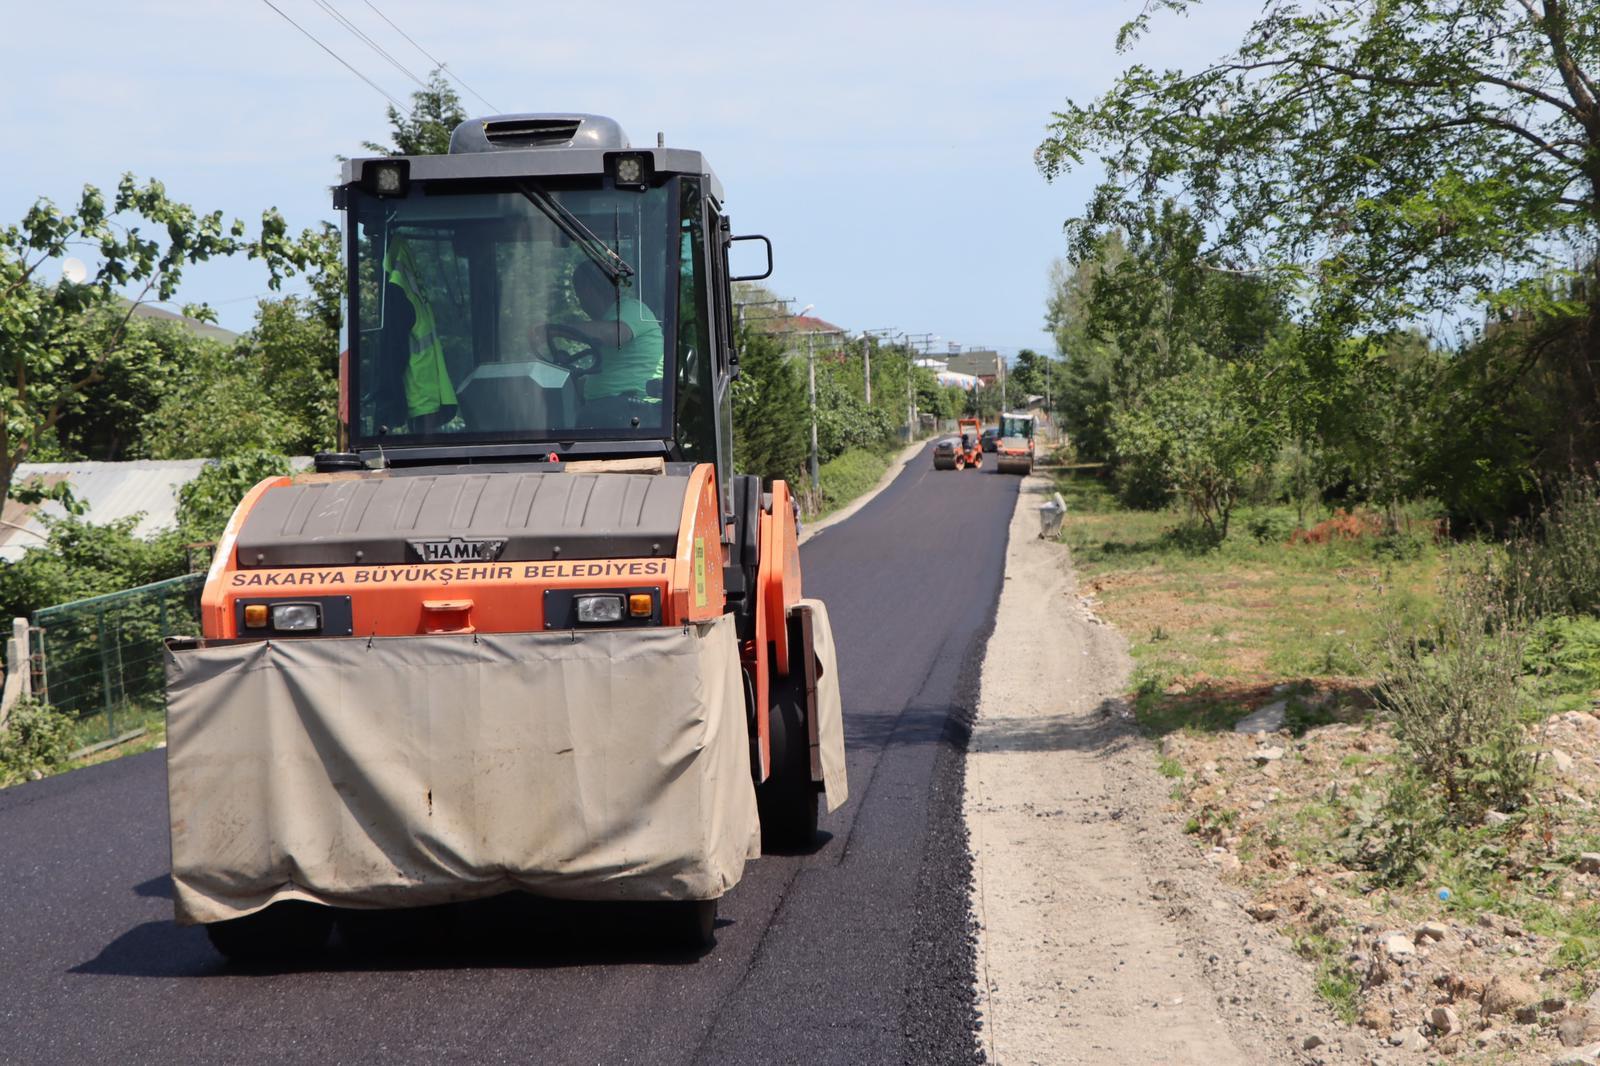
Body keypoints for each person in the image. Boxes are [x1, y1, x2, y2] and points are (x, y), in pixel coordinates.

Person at [550, 259, 664, 403]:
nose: (581, 303)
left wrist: (559, 330)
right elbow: (607, 376)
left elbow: (614, 334)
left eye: (579, 296)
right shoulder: (609, 319)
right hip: (607, 408)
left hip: (632, 409)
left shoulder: (632, 308)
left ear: (589, 291)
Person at [382, 234, 457, 430]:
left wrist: (391, 405)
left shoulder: (397, 289)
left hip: (419, 393)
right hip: (429, 391)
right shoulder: (410, 282)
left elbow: (393, 353)